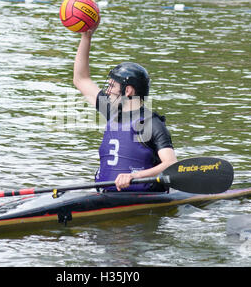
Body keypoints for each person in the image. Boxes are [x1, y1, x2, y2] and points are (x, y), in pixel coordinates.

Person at [73, 25, 177, 192]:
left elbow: (171, 163)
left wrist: (135, 176)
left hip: (141, 197)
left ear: (128, 91)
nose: (107, 91)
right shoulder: (112, 111)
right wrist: (86, 37)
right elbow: (80, 79)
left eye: (112, 86)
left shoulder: (151, 123)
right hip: (107, 194)